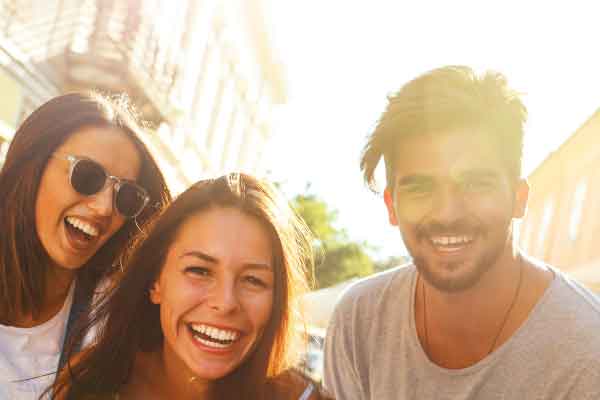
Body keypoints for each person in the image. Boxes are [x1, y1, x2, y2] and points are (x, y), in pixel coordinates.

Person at [323, 66, 600, 399]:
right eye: (421, 188)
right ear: (392, 206)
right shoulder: (360, 319)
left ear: (519, 198)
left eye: (475, 184)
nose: (447, 213)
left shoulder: (588, 352)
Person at [48, 173, 331, 400]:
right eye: (199, 270)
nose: (225, 302)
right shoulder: (89, 382)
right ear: (156, 282)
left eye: (253, 280)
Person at [0, 93, 171, 399]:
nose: (105, 208)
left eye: (126, 196)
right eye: (87, 176)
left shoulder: (109, 322)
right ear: (34, 165)